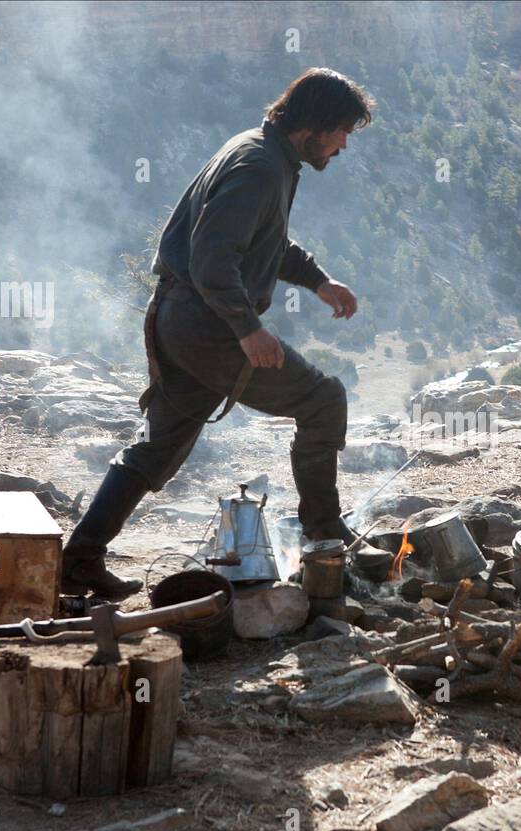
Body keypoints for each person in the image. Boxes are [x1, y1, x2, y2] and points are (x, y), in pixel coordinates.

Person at [62, 68, 381, 597]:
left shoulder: (266, 152)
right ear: (314, 123)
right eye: (342, 130)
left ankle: (80, 559)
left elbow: (264, 240)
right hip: (208, 329)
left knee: (157, 450)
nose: (345, 143)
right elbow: (214, 258)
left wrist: (318, 280)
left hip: (182, 320)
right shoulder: (259, 166)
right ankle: (324, 532)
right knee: (323, 400)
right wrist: (248, 329)